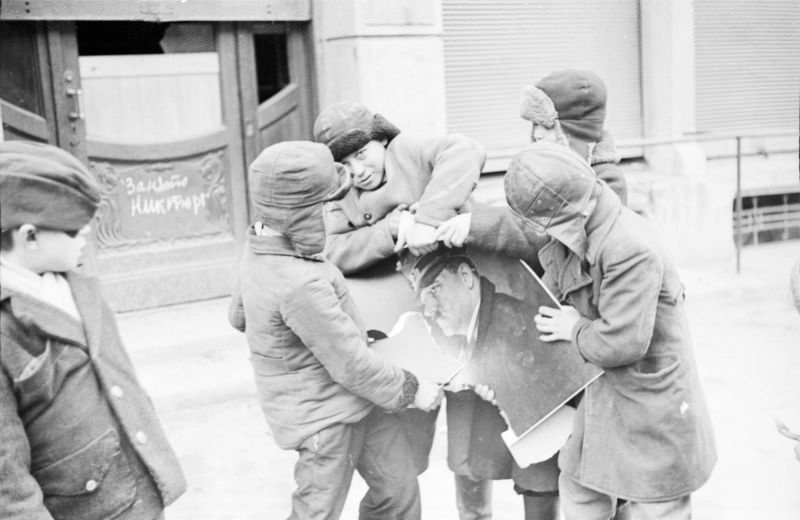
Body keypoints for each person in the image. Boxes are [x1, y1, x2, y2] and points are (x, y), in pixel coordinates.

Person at [226, 140, 443, 520]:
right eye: (324, 206)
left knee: (398, 490)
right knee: (317, 512)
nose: (330, 215)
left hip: (360, 401)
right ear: (299, 213)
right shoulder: (299, 282)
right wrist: (412, 389)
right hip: (324, 420)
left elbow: (238, 316)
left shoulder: (261, 246)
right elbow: (351, 364)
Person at [504, 140, 717, 519]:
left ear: (569, 211)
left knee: (657, 505)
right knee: (581, 489)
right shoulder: (578, 226)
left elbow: (622, 342)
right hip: (603, 398)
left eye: (546, 223)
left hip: (651, 404)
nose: (543, 231)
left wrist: (574, 328)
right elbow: (553, 297)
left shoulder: (629, 247)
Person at [0, 141, 187, 520]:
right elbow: (8, 483)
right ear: (30, 237)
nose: (86, 234)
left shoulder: (78, 285)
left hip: (139, 489)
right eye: (74, 230)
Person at [401, 246, 561, 520]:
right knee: (468, 472)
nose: (429, 310)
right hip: (467, 398)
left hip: (532, 419)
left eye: (435, 290)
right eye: (425, 298)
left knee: (538, 485)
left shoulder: (518, 318)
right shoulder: (447, 326)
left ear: (465, 276)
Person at [519, 69, 629, 205]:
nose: (537, 135)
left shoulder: (606, 180)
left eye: (548, 126)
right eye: (535, 124)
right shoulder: (538, 171)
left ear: (574, 133)